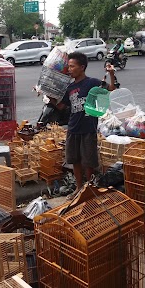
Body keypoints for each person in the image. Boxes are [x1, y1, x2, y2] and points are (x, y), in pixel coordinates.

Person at [51, 52, 116, 200]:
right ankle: (79, 188)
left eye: (72, 66)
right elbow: (62, 107)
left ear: (82, 67)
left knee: (88, 161)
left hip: (88, 128)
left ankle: (90, 189)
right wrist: (50, 97)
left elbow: (111, 89)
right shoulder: (70, 87)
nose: (69, 69)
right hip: (73, 128)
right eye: (69, 66)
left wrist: (111, 74)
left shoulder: (92, 82)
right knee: (75, 160)